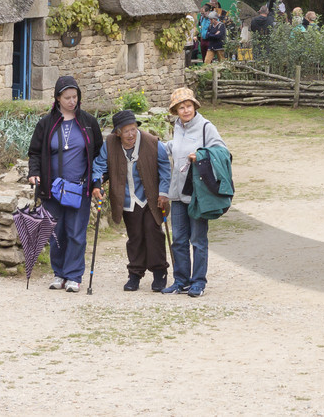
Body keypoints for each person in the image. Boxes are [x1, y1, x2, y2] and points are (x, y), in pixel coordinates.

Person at [28, 75, 104, 292]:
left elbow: (99, 155)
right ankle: (59, 273)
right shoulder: (46, 123)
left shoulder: (89, 122)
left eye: (75, 97)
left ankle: (73, 275)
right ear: (58, 98)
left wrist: (97, 182)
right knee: (56, 233)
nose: (72, 101)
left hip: (80, 188)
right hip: (52, 188)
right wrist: (34, 173)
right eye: (67, 97)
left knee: (76, 232)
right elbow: (34, 152)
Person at [92, 109, 171, 292]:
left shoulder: (152, 142)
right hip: (127, 199)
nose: (130, 134)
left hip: (151, 198)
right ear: (117, 133)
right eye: (126, 131)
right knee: (134, 236)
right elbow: (99, 165)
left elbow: (165, 168)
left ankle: (159, 273)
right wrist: (96, 183)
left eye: (133, 129)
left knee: (154, 233)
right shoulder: (110, 144)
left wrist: (164, 192)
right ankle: (135, 274)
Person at [163, 87, 227, 296]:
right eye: (181, 107)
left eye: (188, 105)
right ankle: (181, 281)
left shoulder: (206, 127)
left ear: (194, 106)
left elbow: (222, 152)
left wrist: (200, 155)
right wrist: (162, 147)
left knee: (198, 240)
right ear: (176, 111)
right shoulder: (178, 126)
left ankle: (198, 282)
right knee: (179, 239)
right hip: (178, 192)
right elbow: (177, 146)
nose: (185, 110)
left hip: (198, 194)